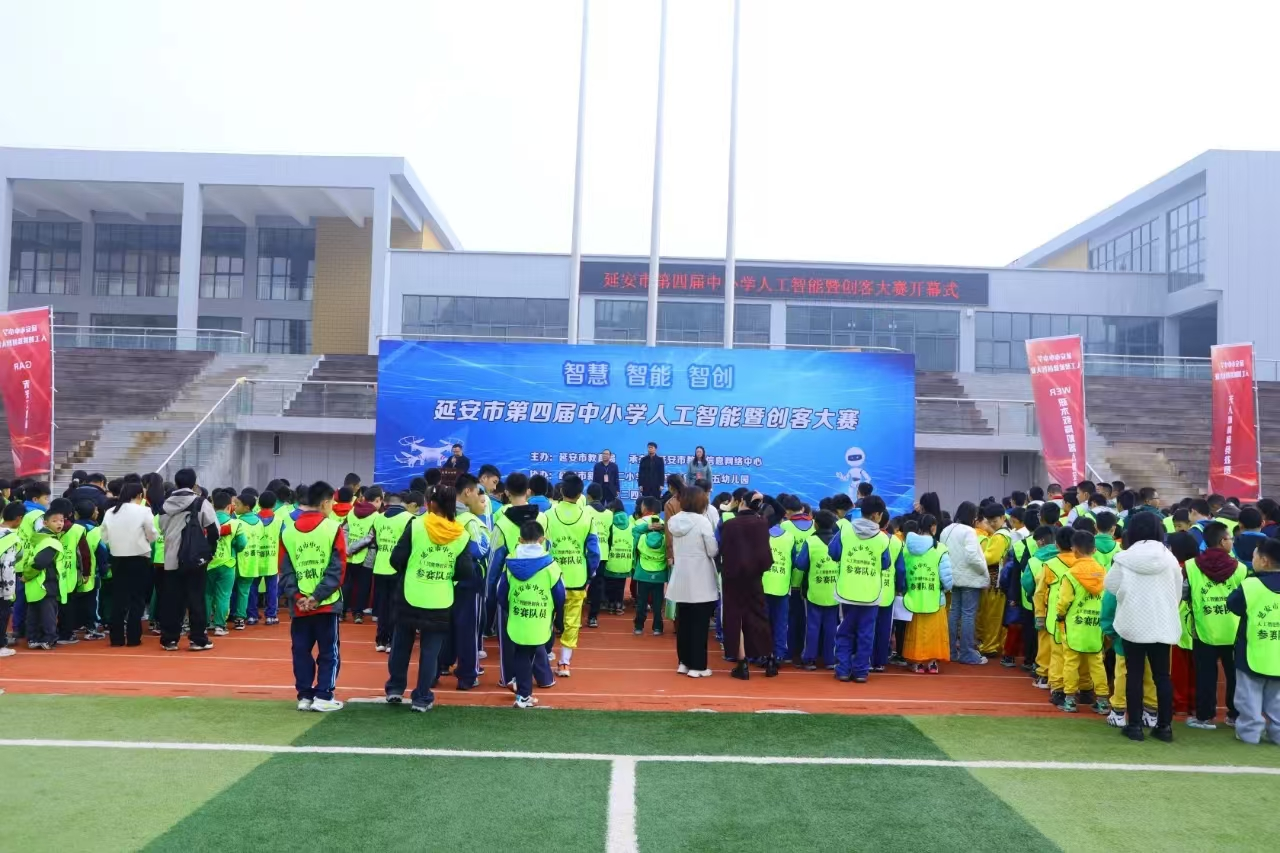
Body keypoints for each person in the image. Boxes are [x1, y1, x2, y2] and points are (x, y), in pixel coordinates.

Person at [386, 484, 475, 712]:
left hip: (410, 593)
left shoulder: (416, 525)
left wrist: (411, 571)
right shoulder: (461, 535)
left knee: (401, 643)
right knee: (430, 651)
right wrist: (445, 576)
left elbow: (396, 559)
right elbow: (466, 571)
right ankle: (422, 697)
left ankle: (395, 688)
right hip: (440, 598)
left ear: (431, 504)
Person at [1105, 511, 1181, 741]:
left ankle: (1135, 726)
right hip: (1162, 622)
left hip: (1133, 622)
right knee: (1162, 676)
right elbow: (1177, 591)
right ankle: (1165, 727)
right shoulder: (1170, 558)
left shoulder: (1124, 558)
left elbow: (1111, 586)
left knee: (1134, 675)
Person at [279, 481, 346, 712]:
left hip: (299, 606)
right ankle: (324, 696)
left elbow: (285, 570)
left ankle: (305, 696)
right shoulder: (333, 528)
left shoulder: (288, 532)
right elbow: (338, 569)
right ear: (325, 502)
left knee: (301, 651)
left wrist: (298, 596)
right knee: (329, 651)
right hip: (326, 604)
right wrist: (317, 596)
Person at [1184, 521, 1246, 730]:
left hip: (1204, 630)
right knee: (1235, 676)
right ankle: (1235, 715)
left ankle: (1204, 717)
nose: (1232, 541)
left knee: (1205, 676)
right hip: (1234, 631)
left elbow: (1184, 594)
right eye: (1230, 538)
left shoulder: (1191, 566)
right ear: (1222, 541)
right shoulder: (1240, 569)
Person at [828, 495, 896, 683]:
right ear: (876, 515)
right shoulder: (882, 539)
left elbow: (833, 553)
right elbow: (885, 563)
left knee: (845, 631)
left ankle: (843, 670)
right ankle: (860, 672)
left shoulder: (845, 531)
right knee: (866, 634)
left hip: (847, 591)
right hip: (870, 594)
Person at [497, 520, 563, 708]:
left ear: (520, 539)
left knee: (521, 652)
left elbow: (501, 592)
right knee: (529, 654)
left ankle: (520, 689)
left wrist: (511, 609)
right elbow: (559, 594)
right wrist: (556, 615)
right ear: (542, 539)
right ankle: (523, 695)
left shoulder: (510, 562)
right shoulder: (550, 565)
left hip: (517, 616)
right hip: (540, 618)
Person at [1225, 537, 1280, 745]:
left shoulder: (1251, 585)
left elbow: (1233, 605)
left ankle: (1250, 733)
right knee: (1277, 699)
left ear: (1264, 561)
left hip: (1251, 652)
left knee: (1248, 696)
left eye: (1255, 556)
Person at [544, 474, 600, 677]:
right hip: (577, 577)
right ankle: (564, 663)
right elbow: (594, 552)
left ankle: (544, 656)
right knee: (572, 621)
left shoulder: (547, 515)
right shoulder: (587, 517)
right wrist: (589, 574)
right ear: (580, 494)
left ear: (561, 491)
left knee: (546, 618)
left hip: (551, 576)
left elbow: (542, 545)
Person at [158, 469, 219, 652]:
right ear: (194, 484)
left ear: (176, 483)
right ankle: (198, 639)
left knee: (172, 599)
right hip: (194, 558)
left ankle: (170, 639)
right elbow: (214, 530)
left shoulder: (164, 505)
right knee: (196, 598)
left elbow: (162, 528)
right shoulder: (201, 502)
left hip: (171, 558)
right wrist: (209, 551)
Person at [442, 474, 491, 690]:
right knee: (468, 629)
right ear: (467, 492)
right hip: (468, 581)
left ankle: (440, 666)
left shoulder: (440, 515)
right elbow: (480, 550)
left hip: (442, 579)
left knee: (443, 627)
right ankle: (467, 675)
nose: (482, 500)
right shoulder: (469, 521)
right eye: (479, 494)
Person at [667, 487, 720, 678]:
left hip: (681, 577)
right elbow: (712, 550)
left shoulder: (674, 521)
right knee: (699, 624)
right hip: (700, 578)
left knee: (684, 623)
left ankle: (684, 662)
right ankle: (698, 666)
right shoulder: (702, 521)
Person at [1055, 530, 1109, 714]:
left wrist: (1060, 615)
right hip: (1095, 625)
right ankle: (1102, 701)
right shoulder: (1103, 572)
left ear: (1074, 550)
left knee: (1070, 662)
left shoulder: (1070, 574)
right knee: (1097, 663)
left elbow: (1063, 601)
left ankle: (1070, 699)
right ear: (1094, 550)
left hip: (1074, 626)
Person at [721, 495, 774, 680]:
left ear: (741, 502)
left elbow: (722, 549)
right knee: (759, 616)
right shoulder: (762, 523)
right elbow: (779, 510)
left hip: (733, 577)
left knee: (736, 619)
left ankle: (742, 663)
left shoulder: (729, 524)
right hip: (755, 576)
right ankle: (769, 659)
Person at [99, 483, 157, 647]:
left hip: (117, 558)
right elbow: (152, 534)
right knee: (137, 599)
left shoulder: (111, 511)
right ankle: (133, 637)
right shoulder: (144, 511)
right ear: (139, 495)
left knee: (119, 598)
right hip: (139, 557)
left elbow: (103, 536)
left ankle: (116, 638)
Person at [902, 514, 953, 674]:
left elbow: (902, 571)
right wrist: (946, 588)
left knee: (917, 632)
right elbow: (946, 578)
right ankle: (932, 663)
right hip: (935, 598)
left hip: (913, 596)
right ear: (933, 527)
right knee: (934, 632)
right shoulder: (940, 548)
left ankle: (916, 663)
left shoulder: (907, 548)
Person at [371, 491, 420, 652]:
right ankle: (392, 641)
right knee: (396, 605)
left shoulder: (378, 518)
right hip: (398, 568)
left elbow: (376, 542)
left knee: (383, 605)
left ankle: (381, 640)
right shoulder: (410, 519)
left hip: (380, 566)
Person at [940, 502, 987, 665]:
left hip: (953, 578)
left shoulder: (946, 530)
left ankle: (951, 651)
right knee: (968, 615)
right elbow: (972, 556)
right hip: (970, 579)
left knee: (954, 613)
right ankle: (967, 653)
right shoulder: (969, 531)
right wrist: (984, 572)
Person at [22, 498, 71, 650]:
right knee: (48, 613)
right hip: (46, 584)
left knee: (33, 613)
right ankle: (49, 638)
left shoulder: (38, 539)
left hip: (34, 584)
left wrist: (27, 576)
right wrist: (27, 575)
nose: (59, 524)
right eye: (55, 521)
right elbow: (40, 562)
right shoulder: (51, 542)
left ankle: (33, 638)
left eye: (61, 520)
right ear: (45, 523)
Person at [797, 510, 841, 670]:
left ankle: (809, 659)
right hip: (834, 592)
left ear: (815, 524)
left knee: (813, 626)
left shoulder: (811, 541)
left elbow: (801, 564)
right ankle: (830, 660)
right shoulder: (838, 541)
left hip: (814, 592)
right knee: (831, 627)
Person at [206, 491, 246, 637]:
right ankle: (219, 626)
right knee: (223, 595)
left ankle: (205, 624)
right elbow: (242, 544)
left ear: (213, 505)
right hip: (227, 564)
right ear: (229, 507)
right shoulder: (235, 524)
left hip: (208, 563)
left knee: (207, 595)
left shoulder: (206, 522)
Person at [762, 511, 797, 675]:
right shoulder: (790, 537)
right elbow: (794, 561)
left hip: (762, 585)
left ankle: (762, 654)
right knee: (781, 623)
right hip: (782, 586)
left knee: (762, 622)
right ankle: (778, 655)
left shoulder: (761, 535)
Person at [340, 486, 382, 624]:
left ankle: (342, 612)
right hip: (367, 555)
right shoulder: (377, 516)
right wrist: (354, 548)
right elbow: (370, 537)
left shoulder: (352, 511)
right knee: (363, 585)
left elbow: (344, 530)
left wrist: (348, 548)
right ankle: (358, 613)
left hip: (349, 555)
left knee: (347, 584)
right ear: (377, 500)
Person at [68, 500, 107, 640]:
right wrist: (104, 569)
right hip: (91, 572)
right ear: (93, 514)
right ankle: (92, 628)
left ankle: (75, 625)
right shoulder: (96, 530)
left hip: (72, 571)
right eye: (95, 510)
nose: (97, 512)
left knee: (74, 600)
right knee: (91, 601)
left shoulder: (70, 528)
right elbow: (102, 551)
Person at [976, 502, 1010, 659]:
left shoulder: (999, 536)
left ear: (1003, 518)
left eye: (994, 521)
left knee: (992, 616)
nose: (991, 524)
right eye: (989, 521)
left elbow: (991, 558)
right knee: (995, 616)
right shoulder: (1006, 533)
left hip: (995, 582)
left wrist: (976, 557)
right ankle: (994, 644)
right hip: (999, 582)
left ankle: (990, 646)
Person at [631, 497, 668, 637]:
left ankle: (639, 626)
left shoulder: (640, 524)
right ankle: (658, 627)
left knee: (641, 601)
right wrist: (663, 529)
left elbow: (634, 534)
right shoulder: (664, 525)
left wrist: (647, 528)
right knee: (658, 602)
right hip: (660, 571)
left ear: (645, 508)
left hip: (643, 570)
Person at [0, 502, 26, 657]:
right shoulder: (11, 538)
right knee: (2, 613)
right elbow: (7, 566)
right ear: (18, 518)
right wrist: (9, 591)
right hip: (2, 584)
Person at [600, 500, 633, 616]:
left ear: (612, 510)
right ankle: (619, 604)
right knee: (621, 584)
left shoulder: (610, 523)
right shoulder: (630, 523)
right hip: (625, 559)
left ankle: (610, 604)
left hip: (612, 559)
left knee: (610, 583)